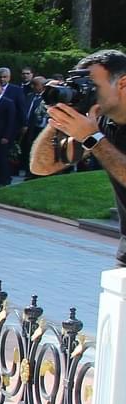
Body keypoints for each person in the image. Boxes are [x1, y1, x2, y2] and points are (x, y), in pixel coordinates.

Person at [31, 49, 126, 268]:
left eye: (93, 86)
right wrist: (61, 116)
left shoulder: (95, 131)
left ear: (122, 83)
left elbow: (93, 140)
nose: (85, 93)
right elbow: (42, 166)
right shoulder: (101, 120)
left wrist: (92, 139)